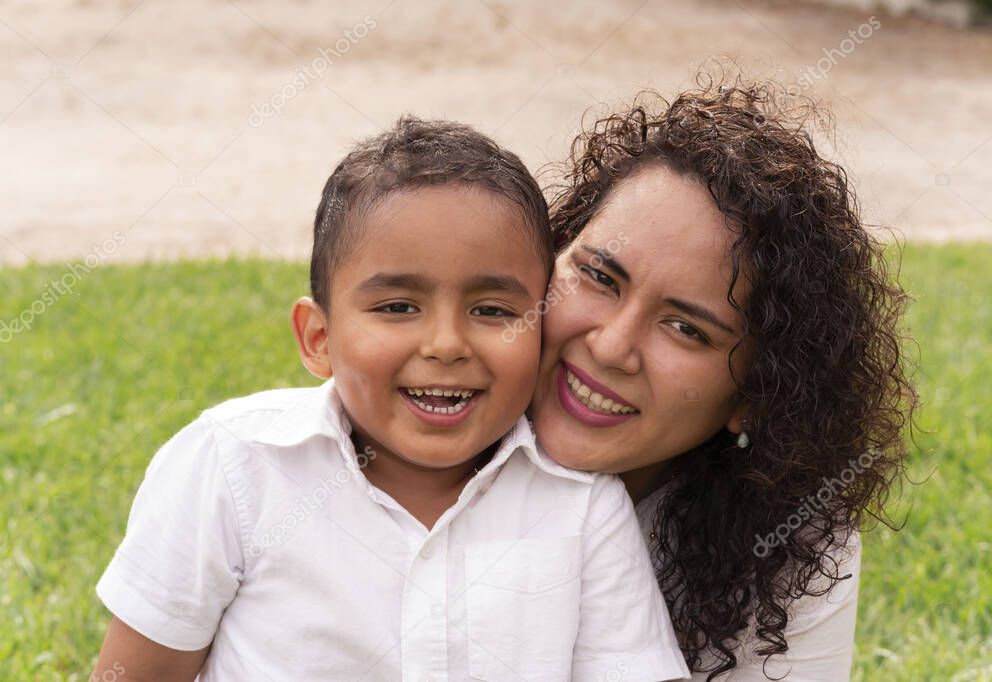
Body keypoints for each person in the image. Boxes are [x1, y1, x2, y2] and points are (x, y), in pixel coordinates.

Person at [90, 117, 690, 681]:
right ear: (318, 338)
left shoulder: (583, 508)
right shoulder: (232, 467)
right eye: (398, 307)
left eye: (492, 311)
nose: (447, 344)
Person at [529, 77, 916, 680]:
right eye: (600, 277)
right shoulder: (396, 439)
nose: (611, 347)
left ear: (757, 397)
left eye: (686, 329)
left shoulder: (790, 541)